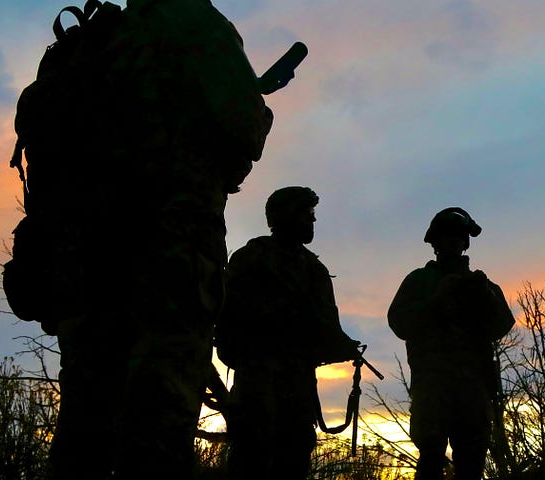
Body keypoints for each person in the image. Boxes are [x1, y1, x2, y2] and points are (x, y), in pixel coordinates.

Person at [40, 0, 275, 477]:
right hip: (170, 258)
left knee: (83, 430)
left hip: (86, 266)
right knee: (157, 429)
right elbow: (243, 127)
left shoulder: (98, 41)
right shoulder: (194, 22)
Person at [217, 186, 363, 478]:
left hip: (298, 384)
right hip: (257, 378)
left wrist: (342, 345)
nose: (313, 221)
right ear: (284, 216)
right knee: (250, 457)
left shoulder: (315, 270)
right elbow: (230, 315)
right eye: (307, 214)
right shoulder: (251, 258)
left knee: (294, 458)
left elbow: (327, 328)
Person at [388, 207, 515, 480]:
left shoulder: (481, 284)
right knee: (431, 461)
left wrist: (485, 296)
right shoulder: (419, 281)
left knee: (471, 465)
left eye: (459, 237)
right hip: (432, 388)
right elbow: (399, 323)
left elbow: (503, 325)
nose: (453, 243)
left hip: (473, 388)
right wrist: (436, 299)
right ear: (435, 242)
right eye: (447, 237)